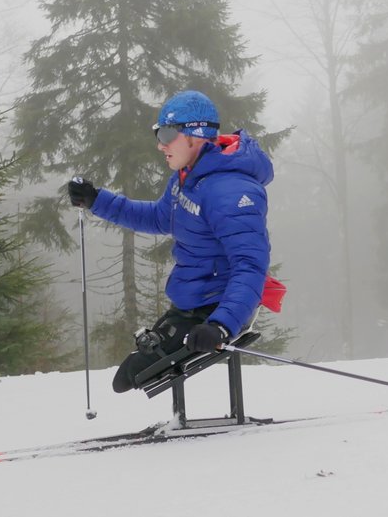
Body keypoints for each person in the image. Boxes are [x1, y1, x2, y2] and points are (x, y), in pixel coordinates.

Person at [67, 90, 274, 393]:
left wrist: (222, 325)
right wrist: (97, 201)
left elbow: (251, 265)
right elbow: (160, 218)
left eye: (166, 134)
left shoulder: (230, 192)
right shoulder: (187, 177)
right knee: (127, 376)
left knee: (134, 376)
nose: (160, 144)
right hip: (191, 303)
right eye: (157, 133)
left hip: (218, 309)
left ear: (197, 134)